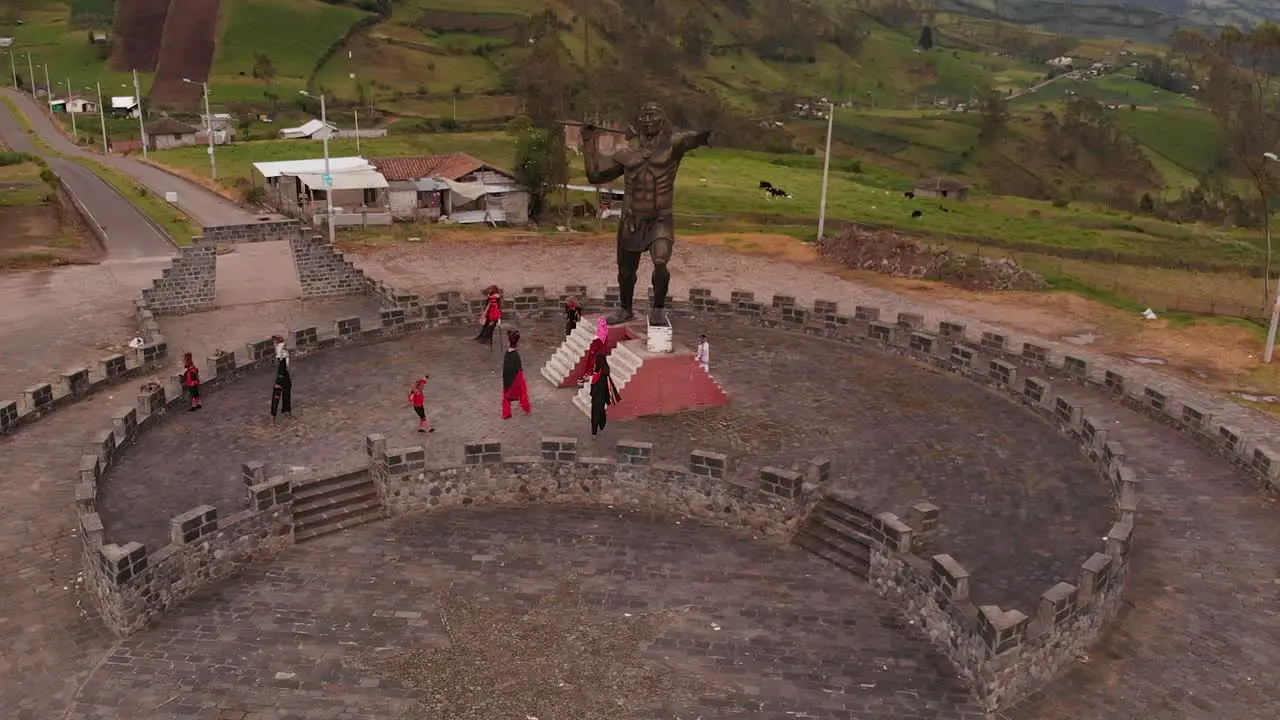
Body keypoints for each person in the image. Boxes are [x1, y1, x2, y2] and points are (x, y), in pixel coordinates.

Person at [580, 102, 713, 326]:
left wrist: (701, 137)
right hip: (631, 220)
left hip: (659, 220)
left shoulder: (671, 148)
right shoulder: (626, 154)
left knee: (660, 262)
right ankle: (625, 309)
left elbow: (688, 139)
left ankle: (659, 308)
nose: (648, 119)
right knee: (625, 271)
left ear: (663, 121)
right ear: (639, 122)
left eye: (654, 115)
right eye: (644, 116)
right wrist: (588, 141)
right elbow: (595, 175)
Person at [589, 352, 622, 437]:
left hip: (596, 398)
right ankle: (601, 427)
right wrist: (607, 400)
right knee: (601, 413)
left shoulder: (597, 374)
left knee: (595, 414)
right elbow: (607, 387)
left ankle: (594, 432)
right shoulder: (605, 371)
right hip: (602, 398)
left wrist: (592, 394)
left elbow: (593, 386)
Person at [502, 330, 532, 419]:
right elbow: (519, 369)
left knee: (506, 397)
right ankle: (526, 407)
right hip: (517, 378)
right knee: (523, 393)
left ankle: (507, 413)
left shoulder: (507, 355)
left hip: (508, 379)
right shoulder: (516, 355)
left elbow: (506, 369)